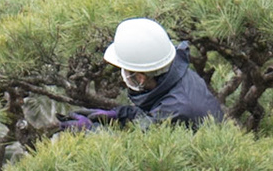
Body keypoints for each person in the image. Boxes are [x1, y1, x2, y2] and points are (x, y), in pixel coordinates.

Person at [61, 18, 225, 132]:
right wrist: (121, 115)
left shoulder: (178, 111)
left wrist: (90, 132)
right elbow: (156, 115)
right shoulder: (178, 73)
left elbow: (134, 152)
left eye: (125, 70)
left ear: (140, 77)